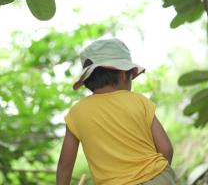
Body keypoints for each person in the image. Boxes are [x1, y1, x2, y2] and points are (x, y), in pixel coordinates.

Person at [56, 39, 175, 185]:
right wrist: (155, 174)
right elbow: (166, 148)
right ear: (124, 75)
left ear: (87, 80)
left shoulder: (76, 113)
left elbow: (65, 166)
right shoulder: (139, 101)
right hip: (157, 178)